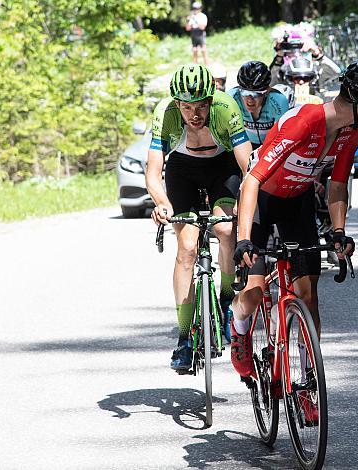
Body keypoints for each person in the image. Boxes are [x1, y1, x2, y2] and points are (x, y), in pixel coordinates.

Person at [228, 61, 358, 384]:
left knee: (308, 294)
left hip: (299, 202)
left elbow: (337, 183)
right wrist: (244, 239)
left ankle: (308, 379)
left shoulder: (354, 129)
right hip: (262, 199)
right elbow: (251, 181)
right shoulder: (305, 120)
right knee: (253, 294)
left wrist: (338, 231)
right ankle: (238, 326)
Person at [145, 64, 252, 372]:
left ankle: (226, 301)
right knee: (188, 248)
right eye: (186, 107)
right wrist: (162, 203)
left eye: (201, 105)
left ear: (211, 100)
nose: (194, 114)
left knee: (226, 231)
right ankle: (183, 338)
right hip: (183, 170)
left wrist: (251, 199)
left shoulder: (226, 108)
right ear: (176, 103)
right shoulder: (165, 114)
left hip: (222, 166)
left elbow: (247, 166)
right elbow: (153, 173)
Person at [228, 61, 291, 150]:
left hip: (270, 145)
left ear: (267, 91)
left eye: (256, 94)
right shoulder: (232, 97)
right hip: (244, 143)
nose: (250, 99)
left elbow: (281, 137)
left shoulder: (279, 101)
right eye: (245, 92)